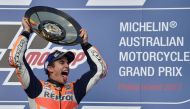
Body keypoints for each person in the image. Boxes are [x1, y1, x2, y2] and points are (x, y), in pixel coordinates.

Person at [9, 17, 107, 109]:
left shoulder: (74, 90)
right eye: (61, 62)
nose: (67, 66)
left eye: (67, 63)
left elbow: (100, 70)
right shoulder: (36, 87)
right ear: (50, 68)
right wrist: (26, 31)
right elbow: (16, 59)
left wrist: (85, 44)